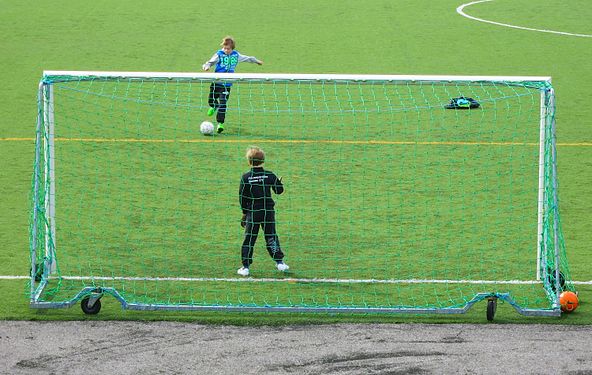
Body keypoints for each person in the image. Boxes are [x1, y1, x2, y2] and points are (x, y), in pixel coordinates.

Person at [238, 146, 289, 276]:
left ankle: (245, 267)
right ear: (263, 160)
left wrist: (244, 213)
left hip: (253, 212)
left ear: (249, 161)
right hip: (268, 211)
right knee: (271, 235)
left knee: (249, 238)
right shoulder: (270, 175)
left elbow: (242, 197)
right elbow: (279, 191)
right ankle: (280, 262)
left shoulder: (246, 177)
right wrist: (279, 184)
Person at [202, 36, 263, 134]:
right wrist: (206, 67)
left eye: (228, 49)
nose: (226, 50)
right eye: (225, 48)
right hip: (216, 82)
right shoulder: (219, 54)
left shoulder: (236, 55)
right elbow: (210, 62)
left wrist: (257, 61)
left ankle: (220, 124)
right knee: (211, 99)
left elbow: (248, 58)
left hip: (227, 84)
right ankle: (213, 106)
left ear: (232, 48)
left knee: (223, 104)